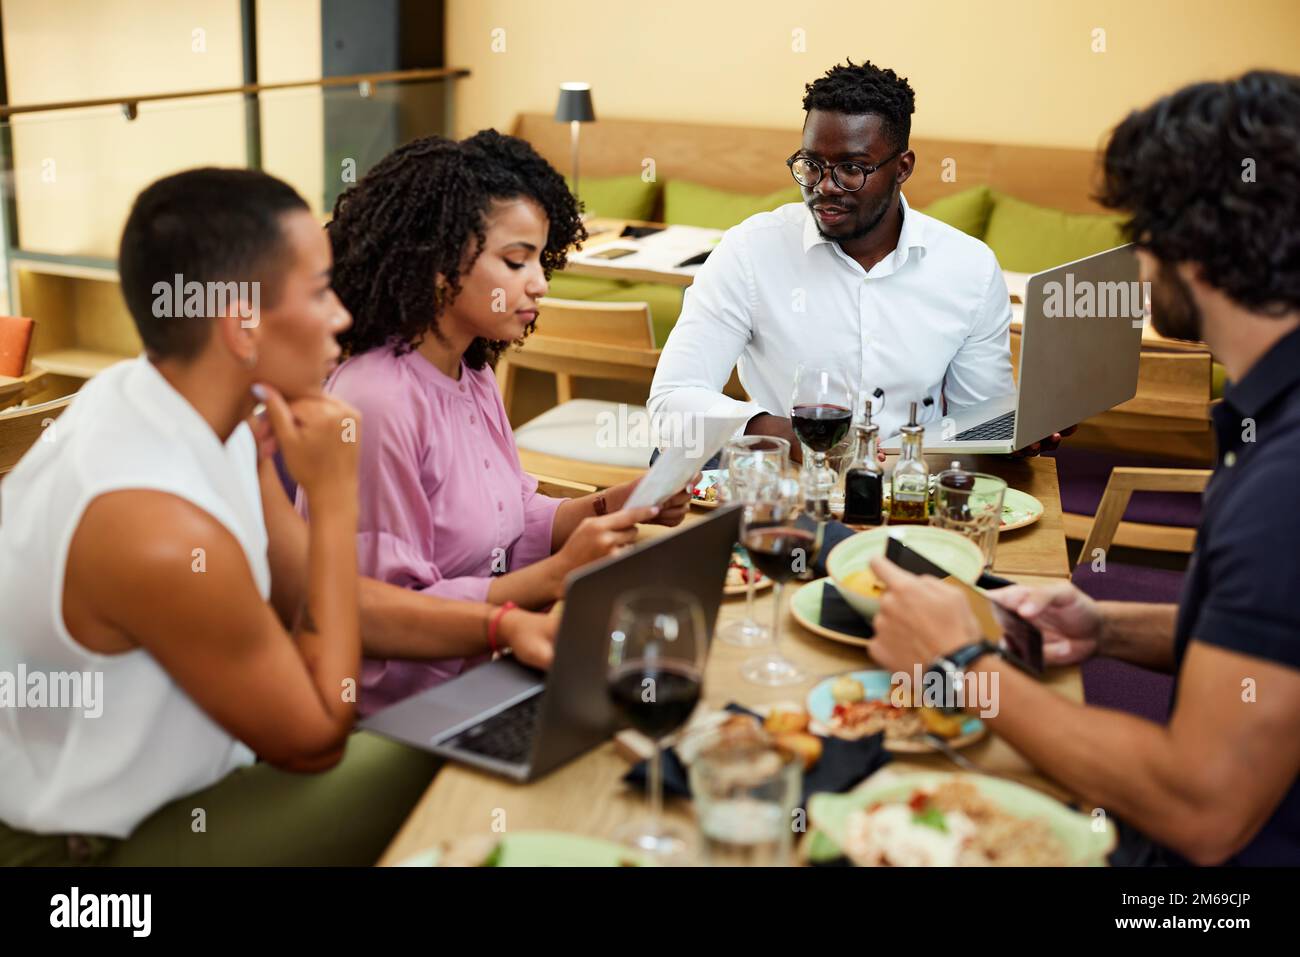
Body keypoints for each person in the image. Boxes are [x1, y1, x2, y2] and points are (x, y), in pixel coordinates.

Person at [0, 167, 548, 865]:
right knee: (453, 756)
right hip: (85, 856)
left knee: (489, 710)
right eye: (320, 293)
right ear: (242, 325)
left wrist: (505, 625)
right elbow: (320, 731)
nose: (342, 316)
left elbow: (315, 596)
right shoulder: (155, 528)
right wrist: (334, 493)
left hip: (192, 780)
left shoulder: (180, 402)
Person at [868, 70, 1300, 865]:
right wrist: (1107, 626)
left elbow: (1200, 805)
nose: (1134, 264)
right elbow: (1272, 646)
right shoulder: (1272, 417)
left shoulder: (1284, 487)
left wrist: (964, 667)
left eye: (1141, 231)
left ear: (1197, 247)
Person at [313, 130, 691, 716]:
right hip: (403, 707)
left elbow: (505, 524)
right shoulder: (377, 401)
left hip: (486, 666)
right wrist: (556, 576)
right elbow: (386, 616)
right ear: (438, 262)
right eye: (516, 261)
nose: (539, 282)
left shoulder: (469, 369)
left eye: (541, 259)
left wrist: (607, 505)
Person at [648, 59, 1068, 458]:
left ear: (902, 168)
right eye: (811, 164)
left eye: (851, 168)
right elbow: (672, 401)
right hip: (791, 488)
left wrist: (1009, 438)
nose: (824, 186)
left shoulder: (969, 268)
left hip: (911, 489)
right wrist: (784, 436)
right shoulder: (750, 252)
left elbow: (976, 420)